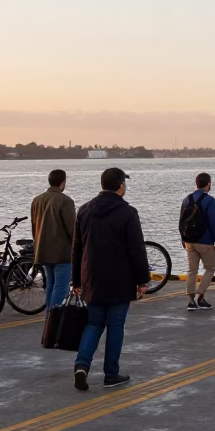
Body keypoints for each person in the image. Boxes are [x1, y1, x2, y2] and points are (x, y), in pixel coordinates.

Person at [70, 167, 151, 391]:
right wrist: (143, 280)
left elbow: (77, 248)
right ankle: (111, 374)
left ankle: (81, 365)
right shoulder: (128, 212)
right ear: (120, 186)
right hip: (119, 279)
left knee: (94, 323)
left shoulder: (84, 210)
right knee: (115, 325)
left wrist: (75, 279)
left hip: (91, 277)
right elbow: (136, 249)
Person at [30, 169, 76, 309]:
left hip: (43, 250)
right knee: (61, 287)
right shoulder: (65, 201)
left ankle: (49, 316)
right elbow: (72, 229)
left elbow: (34, 225)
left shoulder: (37, 200)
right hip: (61, 252)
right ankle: (54, 318)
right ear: (63, 183)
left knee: (50, 284)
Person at [179, 172, 215, 312]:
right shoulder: (209, 200)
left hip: (189, 240)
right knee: (209, 268)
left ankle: (190, 302)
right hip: (205, 240)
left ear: (196, 183)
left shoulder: (187, 199)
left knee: (192, 270)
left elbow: (181, 221)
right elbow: (213, 222)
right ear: (208, 183)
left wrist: (183, 238)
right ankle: (201, 297)